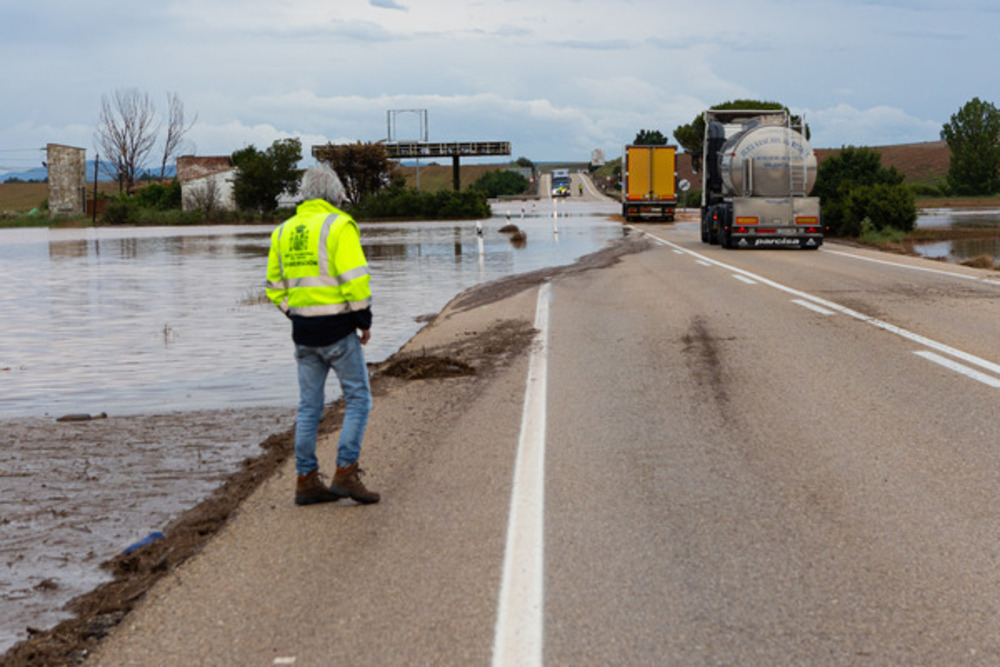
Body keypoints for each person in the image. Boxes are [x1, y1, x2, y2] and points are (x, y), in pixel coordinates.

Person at [266, 164, 380, 506]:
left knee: (309, 407)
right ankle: (346, 471)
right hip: (338, 331)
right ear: (336, 194)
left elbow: (274, 286)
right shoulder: (339, 225)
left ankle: (305, 479)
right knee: (359, 399)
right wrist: (364, 319)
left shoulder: (283, 231)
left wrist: (296, 313)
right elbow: (355, 279)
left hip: (303, 333)